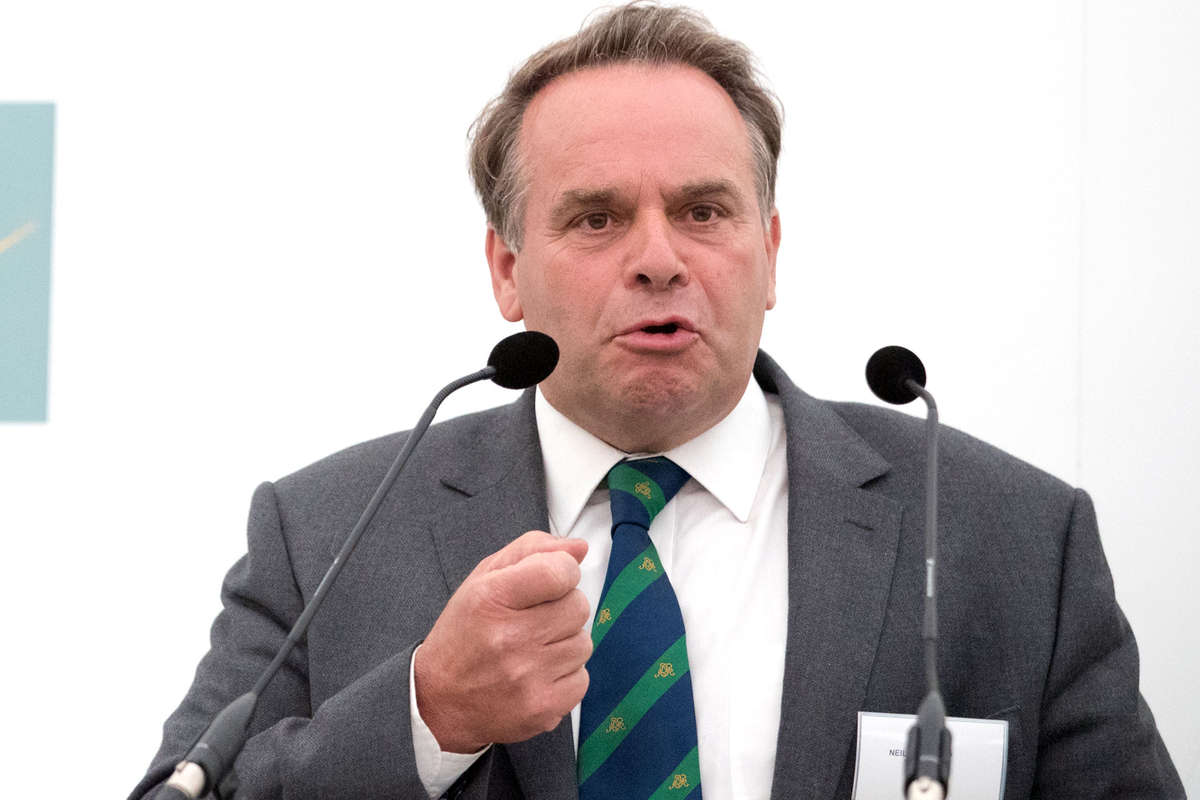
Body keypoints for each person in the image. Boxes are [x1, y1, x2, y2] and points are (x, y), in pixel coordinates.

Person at [131, 4, 1184, 799]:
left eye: (704, 210)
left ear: (770, 252)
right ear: (507, 270)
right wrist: (428, 713)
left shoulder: (1012, 538)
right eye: (596, 218)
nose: (658, 259)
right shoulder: (328, 532)